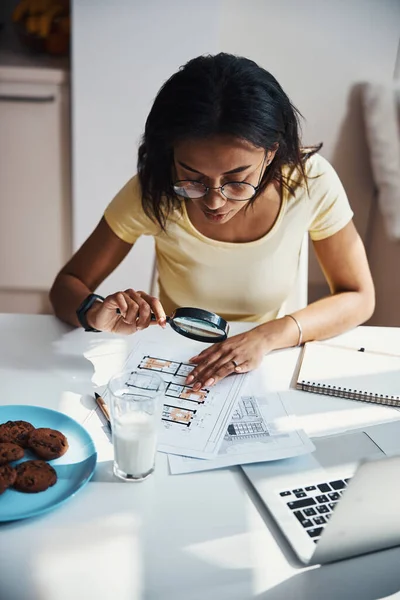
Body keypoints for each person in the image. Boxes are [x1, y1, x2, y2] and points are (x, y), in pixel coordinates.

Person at [50, 52, 375, 392]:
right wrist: (94, 312)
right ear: (170, 155)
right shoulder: (154, 190)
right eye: (192, 179)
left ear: (270, 153)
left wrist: (266, 336)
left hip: (270, 364)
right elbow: (66, 286)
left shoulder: (310, 182)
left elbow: (359, 296)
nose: (215, 201)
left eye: (237, 179)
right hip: (176, 362)